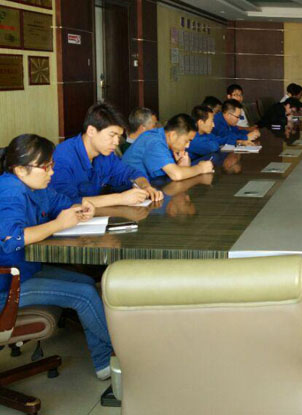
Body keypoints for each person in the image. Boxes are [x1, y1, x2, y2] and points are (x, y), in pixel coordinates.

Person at [0, 134, 114, 379]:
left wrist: (81, 208)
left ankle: (104, 363)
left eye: (51, 165)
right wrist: (58, 224)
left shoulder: (34, 187)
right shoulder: (9, 191)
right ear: (19, 169)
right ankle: (126, 352)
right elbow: (12, 240)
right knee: (84, 295)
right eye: (45, 167)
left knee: (87, 282)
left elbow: (61, 202)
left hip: (25, 271)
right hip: (6, 285)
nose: (51, 172)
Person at [51, 103, 162, 206]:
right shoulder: (63, 157)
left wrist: (145, 186)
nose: (116, 142)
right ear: (91, 131)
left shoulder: (106, 155)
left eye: (118, 137)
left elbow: (130, 173)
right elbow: (66, 202)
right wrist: (120, 198)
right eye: (112, 135)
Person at [123, 113, 214, 181]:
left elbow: (173, 172)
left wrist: (181, 167)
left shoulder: (163, 139)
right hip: (128, 190)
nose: (187, 145)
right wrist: (201, 168)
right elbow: (176, 175)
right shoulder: (154, 141)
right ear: (173, 135)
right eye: (187, 141)